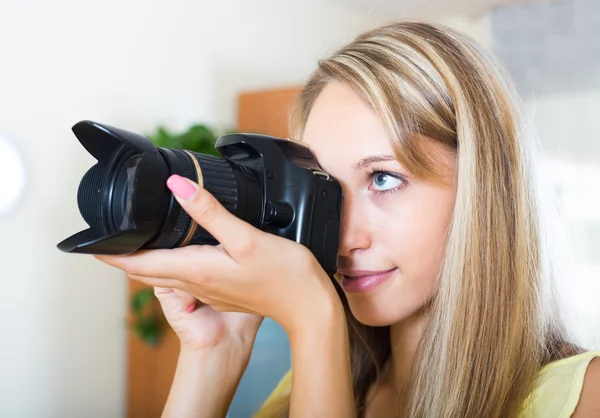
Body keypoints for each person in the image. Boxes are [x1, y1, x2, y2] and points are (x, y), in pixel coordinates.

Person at [95, 20, 600, 417]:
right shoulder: (316, 378)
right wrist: (214, 354)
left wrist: (315, 319)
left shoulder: (584, 398)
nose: (343, 236)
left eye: (383, 179)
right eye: (327, 190)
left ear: (485, 188)